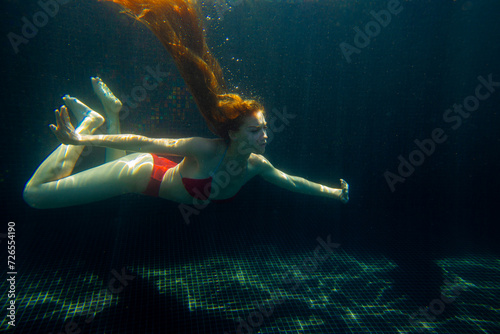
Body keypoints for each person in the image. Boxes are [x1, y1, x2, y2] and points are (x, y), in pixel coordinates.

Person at [23, 0, 349, 209]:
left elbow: (292, 181)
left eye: (264, 128)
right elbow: (145, 141)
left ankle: (109, 113)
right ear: (233, 133)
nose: (265, 135)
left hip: (149, 173)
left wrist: (332, 193)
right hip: (142, 176)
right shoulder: (206, 149)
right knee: (35, 195)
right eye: (255, 130)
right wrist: (82, 141)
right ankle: (88, 124)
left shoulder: (256, 165)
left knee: (116, 162)